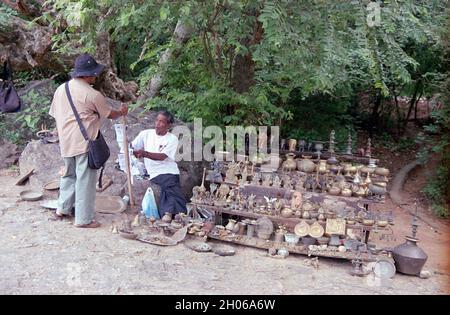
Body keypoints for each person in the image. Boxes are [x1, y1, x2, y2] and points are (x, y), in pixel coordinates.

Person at [49, 53, 128, 228]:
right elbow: (110, 114)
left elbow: (55, 114)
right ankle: (83, 219)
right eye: (93, 73)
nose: (96, 75)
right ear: (86, 75)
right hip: (85, 143)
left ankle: (62, 209)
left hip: (66, 141)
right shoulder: (93, 95)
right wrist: (122, 112)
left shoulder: (61, 89)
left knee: (69, 175)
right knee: (85, 180)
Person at [132, 110, 187, 216]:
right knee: (170, 189)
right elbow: (132, 147)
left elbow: (162, 157)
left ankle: (171, 214)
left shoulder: (172, 139)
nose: (157, 124)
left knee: (170, 189)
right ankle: (174, 214)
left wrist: (144, 153)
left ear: (168, 125)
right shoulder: (145, 134)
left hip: (169, 171)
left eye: (161, 122)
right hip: (155, 173)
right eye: (157, 120)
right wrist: (135, 153)